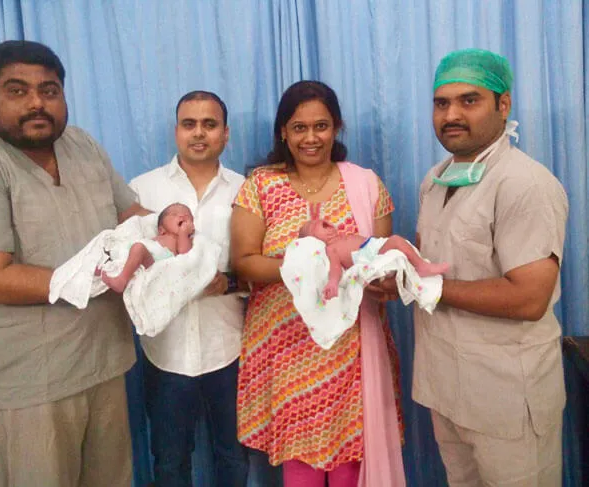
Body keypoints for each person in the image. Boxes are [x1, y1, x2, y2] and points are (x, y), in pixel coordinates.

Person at [0, 41, 150, 486]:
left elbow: (132, 218)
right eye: (17, 91)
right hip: (34, 382)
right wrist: (95, 278)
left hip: (105, 361)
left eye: (49, 90)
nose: (36, 103)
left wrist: (177, 234)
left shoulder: (83, 146)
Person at [231, 80, 406, 486]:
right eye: (299, 127)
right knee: (301, 471)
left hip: (353, 352)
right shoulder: (260, 186)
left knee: (351, 466)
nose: (310, 138)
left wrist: (382, 279)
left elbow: (378, 261)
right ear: (283, 132)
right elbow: (244, 263)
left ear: (336, 128)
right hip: (287, 353)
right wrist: (307, 266)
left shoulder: (366, 185)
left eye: (321, 126)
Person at [411, 48, 568, 486]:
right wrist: (395, 276)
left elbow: (530, 298)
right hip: (447, 388)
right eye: (441, 103)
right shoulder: (435, 180)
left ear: (504, 104)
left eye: (469, 100)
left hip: (506, 397)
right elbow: (428, 264)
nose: (451, 115)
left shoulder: (525, 184)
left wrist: (427, 287)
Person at [129, 91, 249, 487]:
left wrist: (227, 282)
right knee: (169, 461)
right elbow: (127, 262)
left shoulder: (246, 191)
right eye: (189, 124)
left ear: (225, 133)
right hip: (165, 352)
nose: (199, 133)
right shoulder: (141, 191)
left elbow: (260, 265)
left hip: (229, 348)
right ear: (176, 130)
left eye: (209, 124)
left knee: (233, 457)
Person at [299, 219, 449, 300]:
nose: (326, 225)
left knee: (400, 245)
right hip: (369, 256)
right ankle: (421, 266)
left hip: (373, 247)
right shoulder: (331, 249)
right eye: (315, 226)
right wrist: (333, 282)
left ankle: (415, 264)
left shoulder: (342, 238)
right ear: (314, 240)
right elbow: (335, 268)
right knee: (396, 241)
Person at [101, 203, 195, 292]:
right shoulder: (159, 237)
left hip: (159, 260)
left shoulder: (185, 239)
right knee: (122, 248)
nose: (182, 216)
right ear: (161, 230)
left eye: (187, 216)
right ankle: (102, 268)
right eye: (174, 214)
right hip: (148, 253)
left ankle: (121, 280)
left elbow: (185, 253)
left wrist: (184, 233)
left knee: (138, 248)